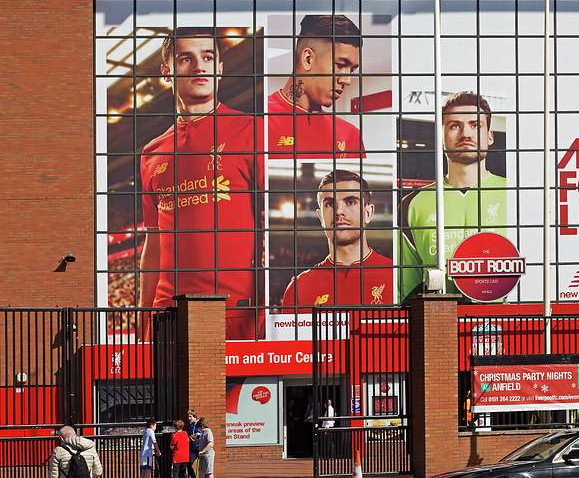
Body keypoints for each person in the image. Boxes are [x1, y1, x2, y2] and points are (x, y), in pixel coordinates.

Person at [139, 27, 263, 341]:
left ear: (220, 69)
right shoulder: (152, 154)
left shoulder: (252, 132)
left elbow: (270, 227)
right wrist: (143, 319)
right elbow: (153, 244)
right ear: (167, 73)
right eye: (186, 58)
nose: (199, 66)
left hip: (235, 316)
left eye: (208, 57)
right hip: (167, 318)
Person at [399, 92, 507, 300]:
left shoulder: (515, 195)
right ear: (442, 137)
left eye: (475, 125)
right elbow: (406, 286)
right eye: (455, 126)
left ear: (490, 136)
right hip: (438, 322)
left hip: (503, 323)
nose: (466, 134)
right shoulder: (412, 203)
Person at [281, 170, 393, 307]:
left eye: (350, 202)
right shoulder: (299, 288)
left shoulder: (396, 276)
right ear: (321, 217)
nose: (339, 211)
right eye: (329, 204)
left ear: (368, 213)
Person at [267, 14, 364, 158]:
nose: (347, 80)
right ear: (308, 59)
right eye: (340, 65)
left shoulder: (350, 135)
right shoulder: (257, 121)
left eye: (352, 70)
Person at [186, 410, 201, 478]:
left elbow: (202, 433)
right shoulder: (191, 425)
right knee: (188, 463)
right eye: (188, 417)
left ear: (194, 416)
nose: (189, 418)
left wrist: (197, 434)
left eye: (190, 416)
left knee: (203, 466)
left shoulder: (199, 424)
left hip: (200, 447)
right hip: (194, 448)